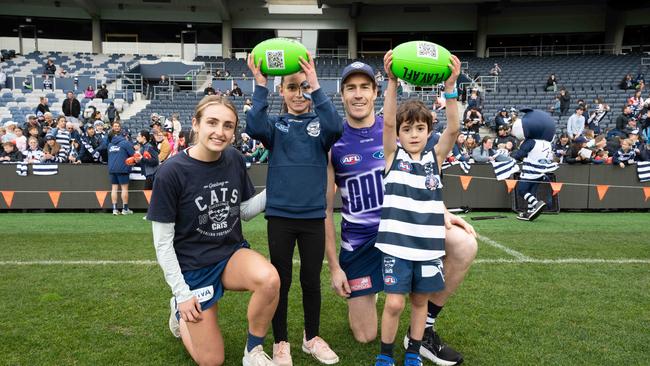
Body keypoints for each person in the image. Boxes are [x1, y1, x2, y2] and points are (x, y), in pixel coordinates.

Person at [327, 60, 474, 365]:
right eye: (350, 88)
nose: (357, 94)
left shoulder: (399, 129)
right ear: (341, 94)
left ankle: (424, 332)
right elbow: (325, 210)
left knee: (465, 243)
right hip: (362, 243)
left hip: (407, 231)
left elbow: (426, 171)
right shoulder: (333, 140)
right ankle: (375, 289)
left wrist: (441, 210)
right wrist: (334, 267)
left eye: (364, 87)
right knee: (365, 334)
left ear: (375, 92)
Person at [147, 95, 279, 366]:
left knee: (269, 279)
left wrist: (276, 191)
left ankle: (253, 352)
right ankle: (180, 312)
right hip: (194, 268)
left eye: (228, 126)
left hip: (230, 254)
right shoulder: (170, 172)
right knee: (212, 361)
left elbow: (241, 211)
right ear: (195, 124)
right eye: (212, 122)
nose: (220, 132)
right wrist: (182, 294)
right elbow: (163, 244)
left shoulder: (233, 158)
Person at [372, 51, 470, 366]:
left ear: (428, 131)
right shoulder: (392, 159)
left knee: (419, 304)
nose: (413, 134)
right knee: (394, 305)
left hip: (428, 250)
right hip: (397, 249)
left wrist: (451, 86)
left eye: (419, 129)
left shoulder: (434, 160)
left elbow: (454, 130)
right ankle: (386, 356)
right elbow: (387, 121)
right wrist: (391, 82)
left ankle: (413, 353)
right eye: (407, 129)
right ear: (399, 134)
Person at [246, 51, 343, 366]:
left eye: (303, 87)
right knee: (282, 282)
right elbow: (254, 125)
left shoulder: (321, 126)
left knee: (311, 281)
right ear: (282, 92)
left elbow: (336, 126)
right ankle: (281, 343)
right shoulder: (275, 126)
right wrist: (260, 84)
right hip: (281, 219)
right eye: (292, 87)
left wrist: (316, 85)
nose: (299, 94)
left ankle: (310, 338)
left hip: (313, 218)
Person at [511, 109, 559, 221]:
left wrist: (514, 153)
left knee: (522, 190)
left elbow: (518, 155)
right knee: (532, 192)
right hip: (541, 172)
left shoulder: (530, 141)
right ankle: (530, 212)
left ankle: (536, 204)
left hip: (529, 172)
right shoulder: (548, 143)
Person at [107, 121, 135, 215]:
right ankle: (125, 209)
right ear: (125, 135)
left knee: (114, 188)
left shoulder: (110, 144)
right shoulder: (125, 143)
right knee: (124, 189)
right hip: (122, 168)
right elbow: (133, 154)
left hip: (112, 168)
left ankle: (114, 209)